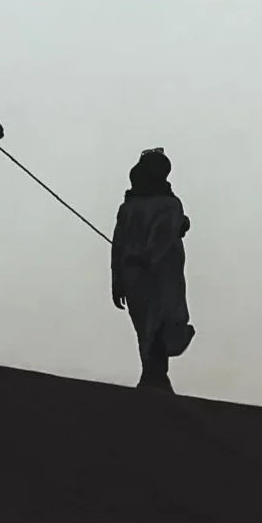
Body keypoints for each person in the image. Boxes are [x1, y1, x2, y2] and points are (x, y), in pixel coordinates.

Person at [111, 148, 195, 391]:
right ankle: (155, 374)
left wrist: (119, 277)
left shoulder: (135, 207)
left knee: (151, 325)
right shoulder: (166, 205)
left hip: (142, 272)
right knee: (154, 325)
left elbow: (122, 244)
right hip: (154, 274)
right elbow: (160, 238)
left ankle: (154, 373)